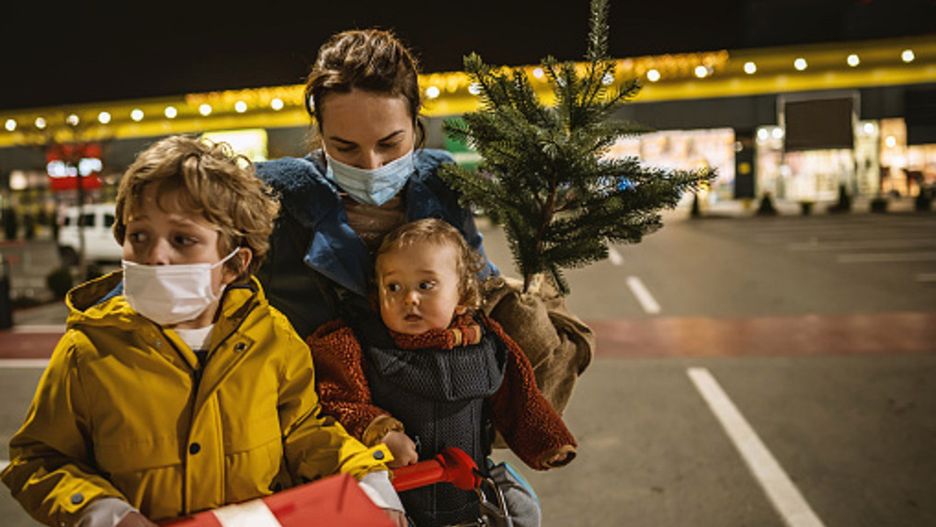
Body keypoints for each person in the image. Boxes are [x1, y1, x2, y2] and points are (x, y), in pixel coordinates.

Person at [0, 136, 405, 527]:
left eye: (183, 239)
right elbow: (39, 459)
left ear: (235, 264)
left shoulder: (273, 338)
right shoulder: (87, 351)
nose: (155, 256)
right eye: (138, 236)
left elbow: (304, 432)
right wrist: (99, 511)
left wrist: (364, 473)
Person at [309, 219, 577, 527]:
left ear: (462, 296)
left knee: (523, 509)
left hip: (471, 484)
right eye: (393, 287)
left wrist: (546, 440)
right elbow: (338, 399)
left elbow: (518, 396)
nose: (409, 298)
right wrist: (381, 432)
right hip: (397, 492)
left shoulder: (485, 341)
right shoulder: (357, 344)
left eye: (426, 285)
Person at [255, 28, 497, 341]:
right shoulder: (278, 205)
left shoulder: (443, 185)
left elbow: (479, 285)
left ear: (415, 122)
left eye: (389, 143)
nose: (371, 165)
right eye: (345, 148)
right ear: (321, 134)